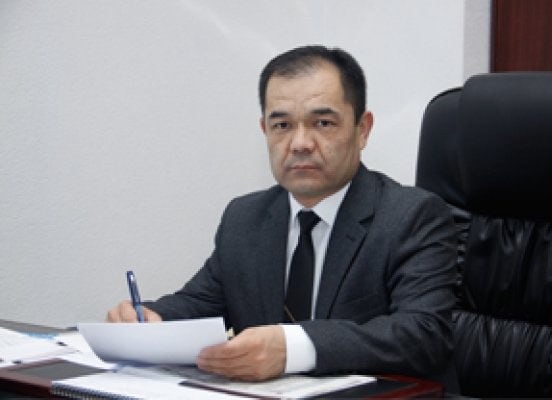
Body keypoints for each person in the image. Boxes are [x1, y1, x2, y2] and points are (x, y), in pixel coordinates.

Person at [107, 45, 459, 391]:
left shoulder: (411, 216)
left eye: (322, 123)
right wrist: (151, 318)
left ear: (362, 129)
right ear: (265, 130)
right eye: (282, 125)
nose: (300, 143)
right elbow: (203, 303)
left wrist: (292, 347)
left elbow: (424, 333)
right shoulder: (245, 218)